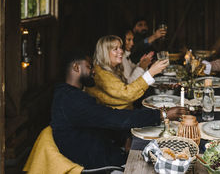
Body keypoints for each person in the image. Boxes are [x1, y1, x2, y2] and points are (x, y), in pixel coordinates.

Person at [51, 51, 186, 169]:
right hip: (105, 165)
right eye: (89, 66)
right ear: (76, 67)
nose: (93, 71)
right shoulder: (71, 101)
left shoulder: (68, 95)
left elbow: (101, 120)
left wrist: (123, 138)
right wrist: (162, 114)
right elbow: (113, 118)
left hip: (109, 151)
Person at [85, 35, 168, 109]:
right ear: (105, 53)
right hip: (115, 118)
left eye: (120, 47)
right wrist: (150, 73)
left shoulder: (111, 68)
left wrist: (144, 66)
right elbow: (126, 94)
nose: (121, 51)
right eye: (115, 49)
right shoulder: (100, 73)